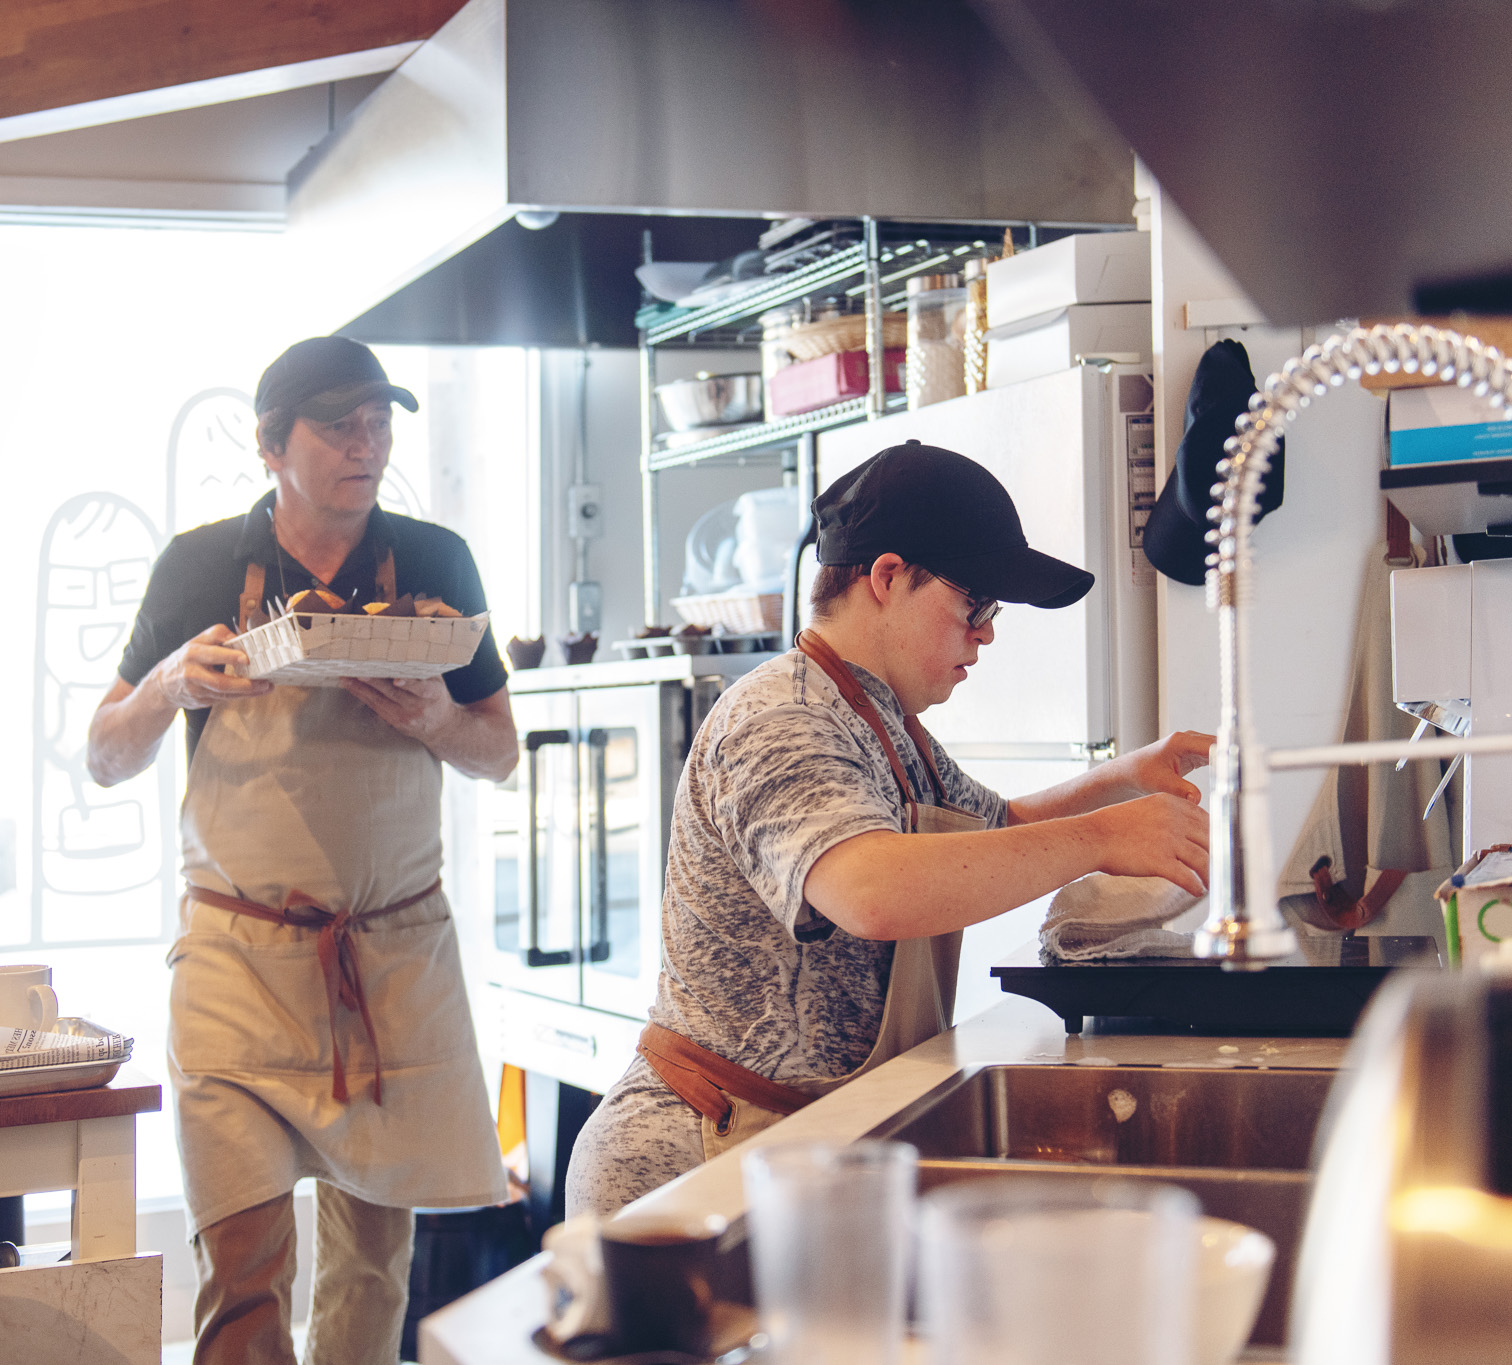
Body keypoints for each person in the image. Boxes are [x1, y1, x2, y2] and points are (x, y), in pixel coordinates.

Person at [565, 441, 1212, 1216]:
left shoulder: (880, 719)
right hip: (695, 1162)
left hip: (799, 1143)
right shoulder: (783, 716)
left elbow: (991, 830)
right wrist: (1104, 837)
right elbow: (871, 889)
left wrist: (1123, 777)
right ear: (886, 578)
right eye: (975, 605)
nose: (987, 634)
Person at [87, 336, 518, 1365]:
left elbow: (496, 750)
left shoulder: (435, 562)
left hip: (392, 961)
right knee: (242, 1285)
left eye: (379, 422)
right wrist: (167, 687)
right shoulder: (200, 565)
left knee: (371, 1277)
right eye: (340, 425)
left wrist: (431, 720)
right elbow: (104, 755)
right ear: (271, 445)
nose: (366, 444)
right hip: (239, 963)